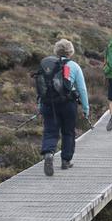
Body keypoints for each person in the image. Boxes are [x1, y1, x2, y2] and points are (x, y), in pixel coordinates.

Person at [36, 39, 88, 176]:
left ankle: (48, 153)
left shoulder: (47, 65)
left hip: (48, 104)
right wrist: (85, 108)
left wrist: (40, 106)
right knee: (68, 132)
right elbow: (82, 89)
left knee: (50, 131)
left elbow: (41, 88)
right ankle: (66, 160)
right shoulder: (74, 66)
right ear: (70, 52)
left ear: (56, 50)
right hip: (68, 104)